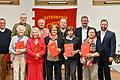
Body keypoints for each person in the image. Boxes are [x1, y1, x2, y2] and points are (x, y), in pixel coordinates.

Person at [75, 16, 93, 80]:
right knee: (79, 67)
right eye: (83, 20)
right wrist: (78, 51)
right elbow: (75, 41)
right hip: (79, 52)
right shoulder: (77, 30)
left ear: (88, 21)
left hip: (89, 52)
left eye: (86, 20)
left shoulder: (92, 29)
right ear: (81, 22)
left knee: (89, 67)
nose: (84, 22)